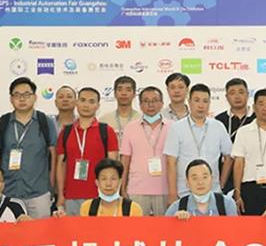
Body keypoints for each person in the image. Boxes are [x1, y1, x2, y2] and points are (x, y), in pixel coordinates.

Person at [0, 77, 57, 219]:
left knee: (39, 233)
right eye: (17, 95)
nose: (22, 99)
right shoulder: (2, 123)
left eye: (26, 94)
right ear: (11, 99)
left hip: (38, 194)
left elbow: (54, 156)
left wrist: (52, 187)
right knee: (7, 233)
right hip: (7, 193)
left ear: (35, 97)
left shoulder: (45, 122)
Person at [164, 83, 233, 203]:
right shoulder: (177, 128)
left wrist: (221, 184)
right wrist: (172, 193)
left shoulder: (218, 126)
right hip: (184, 192)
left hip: (213, 192)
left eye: (205, 101)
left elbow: (229, 157)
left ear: (209, 103)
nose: (201, 105)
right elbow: (171, 162)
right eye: (196, 100)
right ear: (189, 102)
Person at [55, 87, 119, 216]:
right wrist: (60, 194)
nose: (86, 105)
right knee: (72, 229)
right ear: (76, 103)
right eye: (83, 100)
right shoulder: (66, 132)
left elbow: (113, 167)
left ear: (97, 106)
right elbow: (61, 165)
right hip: (71, 196)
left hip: (100, 196)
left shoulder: (107, 131)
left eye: (91, 101)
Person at [120, 86, 170, 216]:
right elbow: (125, 160)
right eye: (146, 101)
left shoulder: (173, 127)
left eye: (155, 100)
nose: (150, 105)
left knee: (165, 228)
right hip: (136, 189)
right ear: (140, 105)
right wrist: (122, 188)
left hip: (165, 190)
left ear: (162, 103)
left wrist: (174, 191)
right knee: (138, 228)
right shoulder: (130, 128)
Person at [216, 78, 255, 193]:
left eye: (241, 92)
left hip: (250, 176)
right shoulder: (218, 121)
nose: (237, 96)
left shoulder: (257, 119)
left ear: (248, 94)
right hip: (224, 176)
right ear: (226, 97)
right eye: (232, 93)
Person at [99, 76, 140, 145]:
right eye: (120, 90)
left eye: (128, 90)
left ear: (134, 94)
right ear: (115, 93)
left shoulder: (141, 119)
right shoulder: (104, 120)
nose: (124, 93)